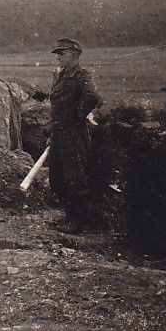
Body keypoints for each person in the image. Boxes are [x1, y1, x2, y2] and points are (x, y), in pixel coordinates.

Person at [48, 38, 103, 234]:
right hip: (59, 133)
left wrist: (78, 117)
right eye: (58, 53)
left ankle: (78, 222)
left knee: (75, 177)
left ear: (74, 55)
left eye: (62, 53)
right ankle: (70, 217)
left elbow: (94, 97)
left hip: (73, 134)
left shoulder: (81, 76)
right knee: (56, 176)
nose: (58, 56)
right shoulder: (61, 76)